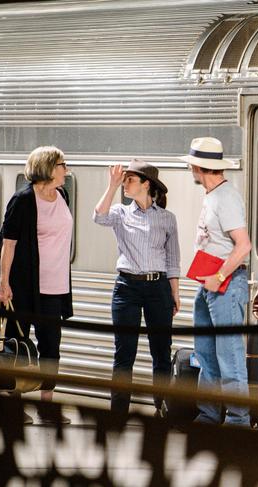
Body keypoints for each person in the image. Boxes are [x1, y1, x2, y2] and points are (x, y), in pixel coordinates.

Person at [93, 159, 180, 417]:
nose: (125, 183)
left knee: (161, 351)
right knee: (124, 353)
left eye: (130, 179)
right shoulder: (120, 212)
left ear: (146, 184)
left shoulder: (167, 219)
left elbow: (173, 260)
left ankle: (160, 407)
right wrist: (111, 186)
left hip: (158, 287)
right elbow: (98, 216)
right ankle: (118, 413)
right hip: (127, 288)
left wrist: (175, 293)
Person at [0, 145, 73, 424]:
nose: (67, 170)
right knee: (17, 345)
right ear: (48, 168)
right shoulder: (23, 200)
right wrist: (4, 283)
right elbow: (8, 243)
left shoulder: (62, 195)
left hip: (55, 286)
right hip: (24, 287)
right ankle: (15, 407)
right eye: (63, 164)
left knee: (51, 347)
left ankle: (47, 408)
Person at [181, 137, 252, 426]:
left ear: (199, 167)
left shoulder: (226, 198)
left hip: (226, 284)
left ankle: (238, 419)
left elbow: (244, 245)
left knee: (229, 354)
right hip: (209, 284)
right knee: (206, 354)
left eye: (192, 166)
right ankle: (208, 414)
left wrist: (220, 276)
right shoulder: (212, 196)